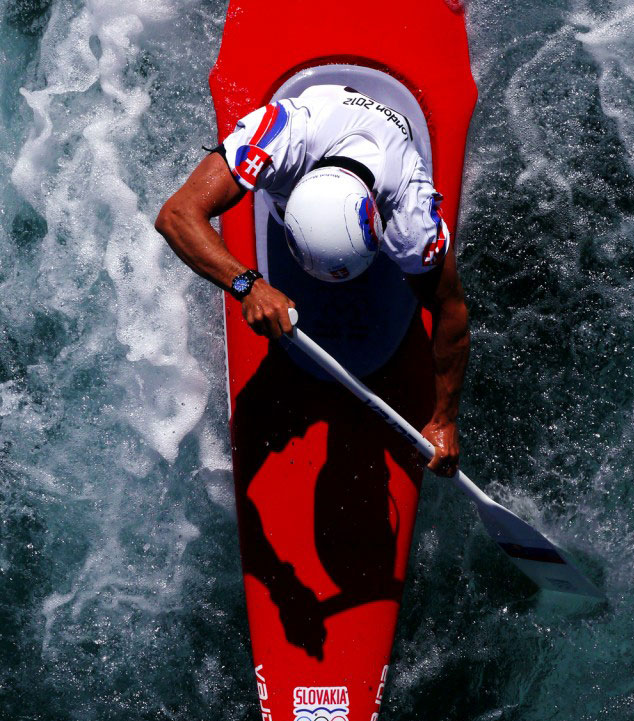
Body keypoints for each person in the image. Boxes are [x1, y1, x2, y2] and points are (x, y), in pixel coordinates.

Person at [155, 84, 470, 479]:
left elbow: (450, 309)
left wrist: (444, 420)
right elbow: (176, 215)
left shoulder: (410, 214)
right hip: (317, 128)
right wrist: (247, 285)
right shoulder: (281, 138)